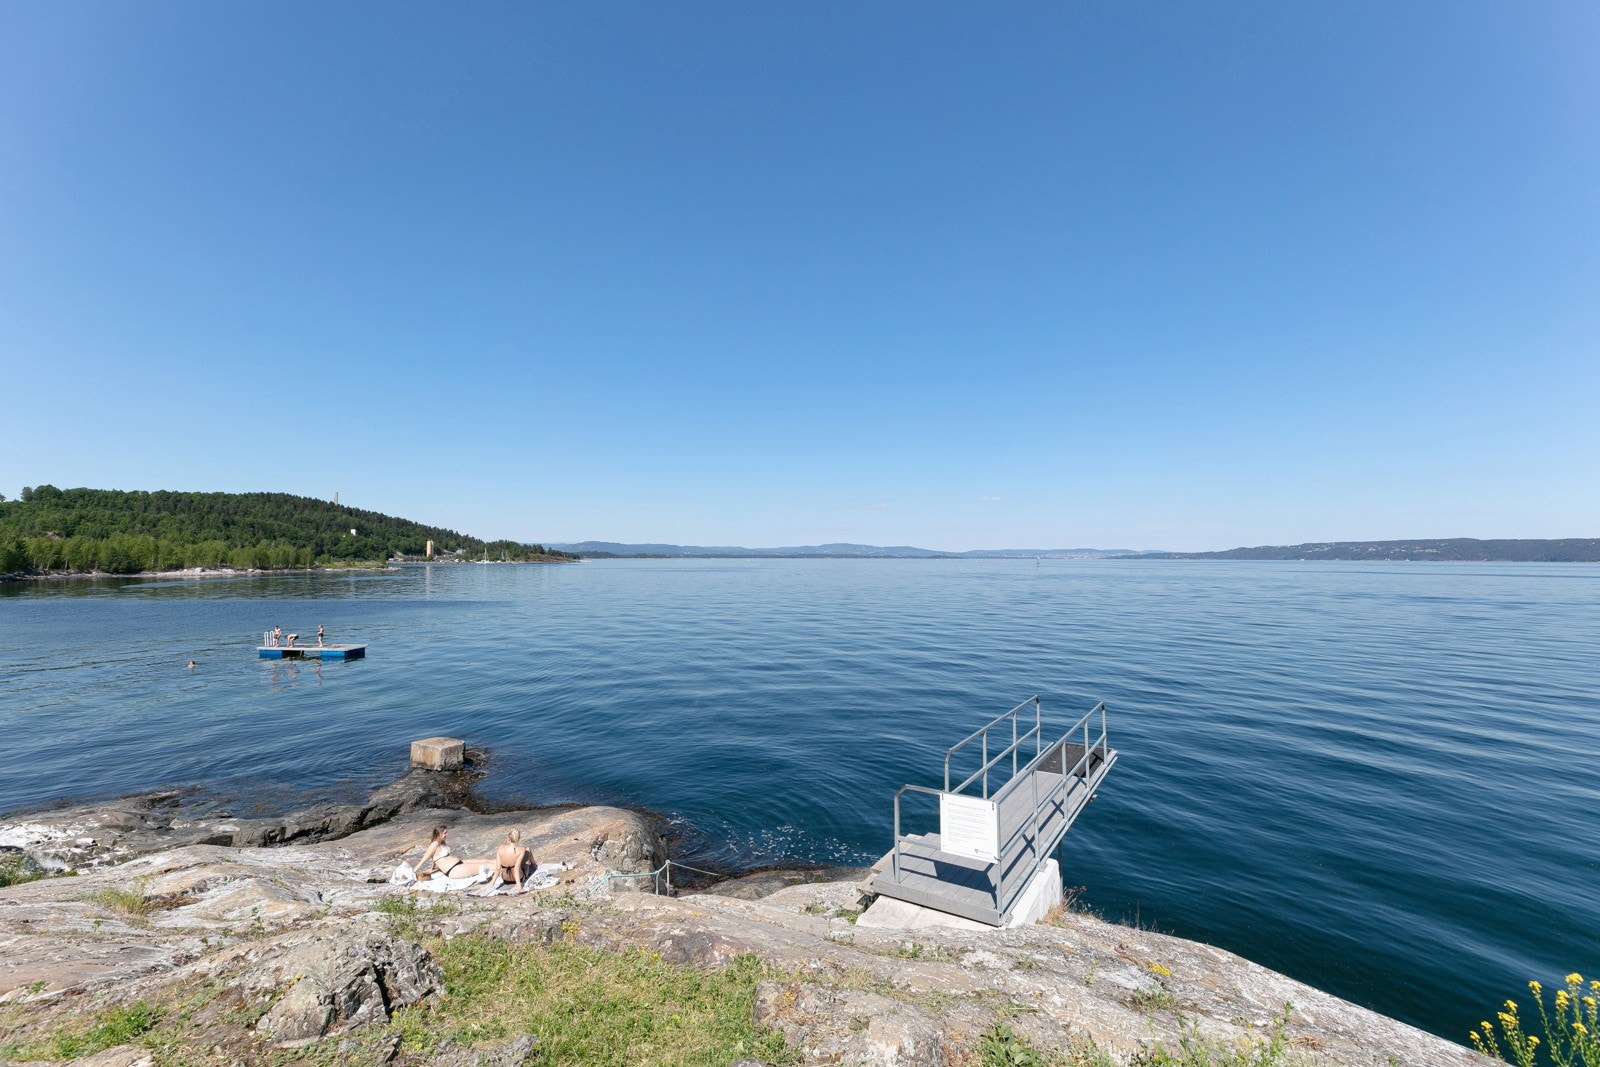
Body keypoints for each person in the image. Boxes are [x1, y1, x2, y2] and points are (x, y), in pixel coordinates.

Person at [414, 825, 492, 881]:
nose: (446, 835)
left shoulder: (442, 843)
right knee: (485, 866)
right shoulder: (434, 844)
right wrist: (413, 873)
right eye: (445, 833)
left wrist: (432, 868)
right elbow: (423, 860)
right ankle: (503, 867)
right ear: (439, 834)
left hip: (459, 863)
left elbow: (435, 857)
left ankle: (503, 862)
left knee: (486, 860)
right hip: (453, 870)